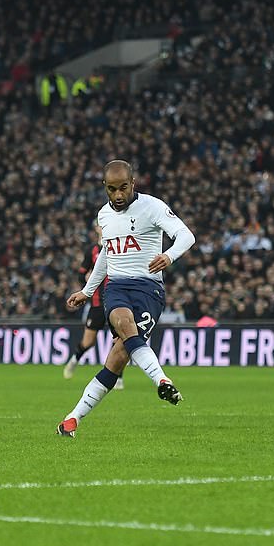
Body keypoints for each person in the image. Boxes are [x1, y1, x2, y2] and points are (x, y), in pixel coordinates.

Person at [58, 159, 196, 437]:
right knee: (122, 321)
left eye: (123, 188)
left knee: (118, 357)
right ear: (105, 188)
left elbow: (186, 236)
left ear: (133, 183)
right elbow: (107, 256)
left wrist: (168, 255)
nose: (118, 195)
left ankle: (71, 420)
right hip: (117, 287)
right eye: (112, 190)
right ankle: (161, 380)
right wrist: (87, 291)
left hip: (149, 290)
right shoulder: (104, 216)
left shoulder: (153, 207)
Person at [62, 225, 125, 390]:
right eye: (101, 226)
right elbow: (81, 274)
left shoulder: (118, 247)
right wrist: (86, 277)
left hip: (115, 301)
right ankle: (74, 361)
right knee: (88, 342)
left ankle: (118, 376)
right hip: (97, 303)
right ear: (97, 229)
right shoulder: (92, 250)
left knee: (121, 339)